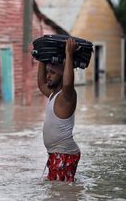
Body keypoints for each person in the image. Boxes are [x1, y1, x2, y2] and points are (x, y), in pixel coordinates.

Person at [37, 38, 80, 182]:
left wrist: (69, 54)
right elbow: (41, 83)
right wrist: (42, 58)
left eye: (52, 73)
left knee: (61, 194)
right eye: (48, 72)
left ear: (62, 75)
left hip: (64, 154)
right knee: (57, 192)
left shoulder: (67, 97)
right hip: (56, 154)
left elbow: (68, 84)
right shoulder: (53, 95)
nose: (48, 76)